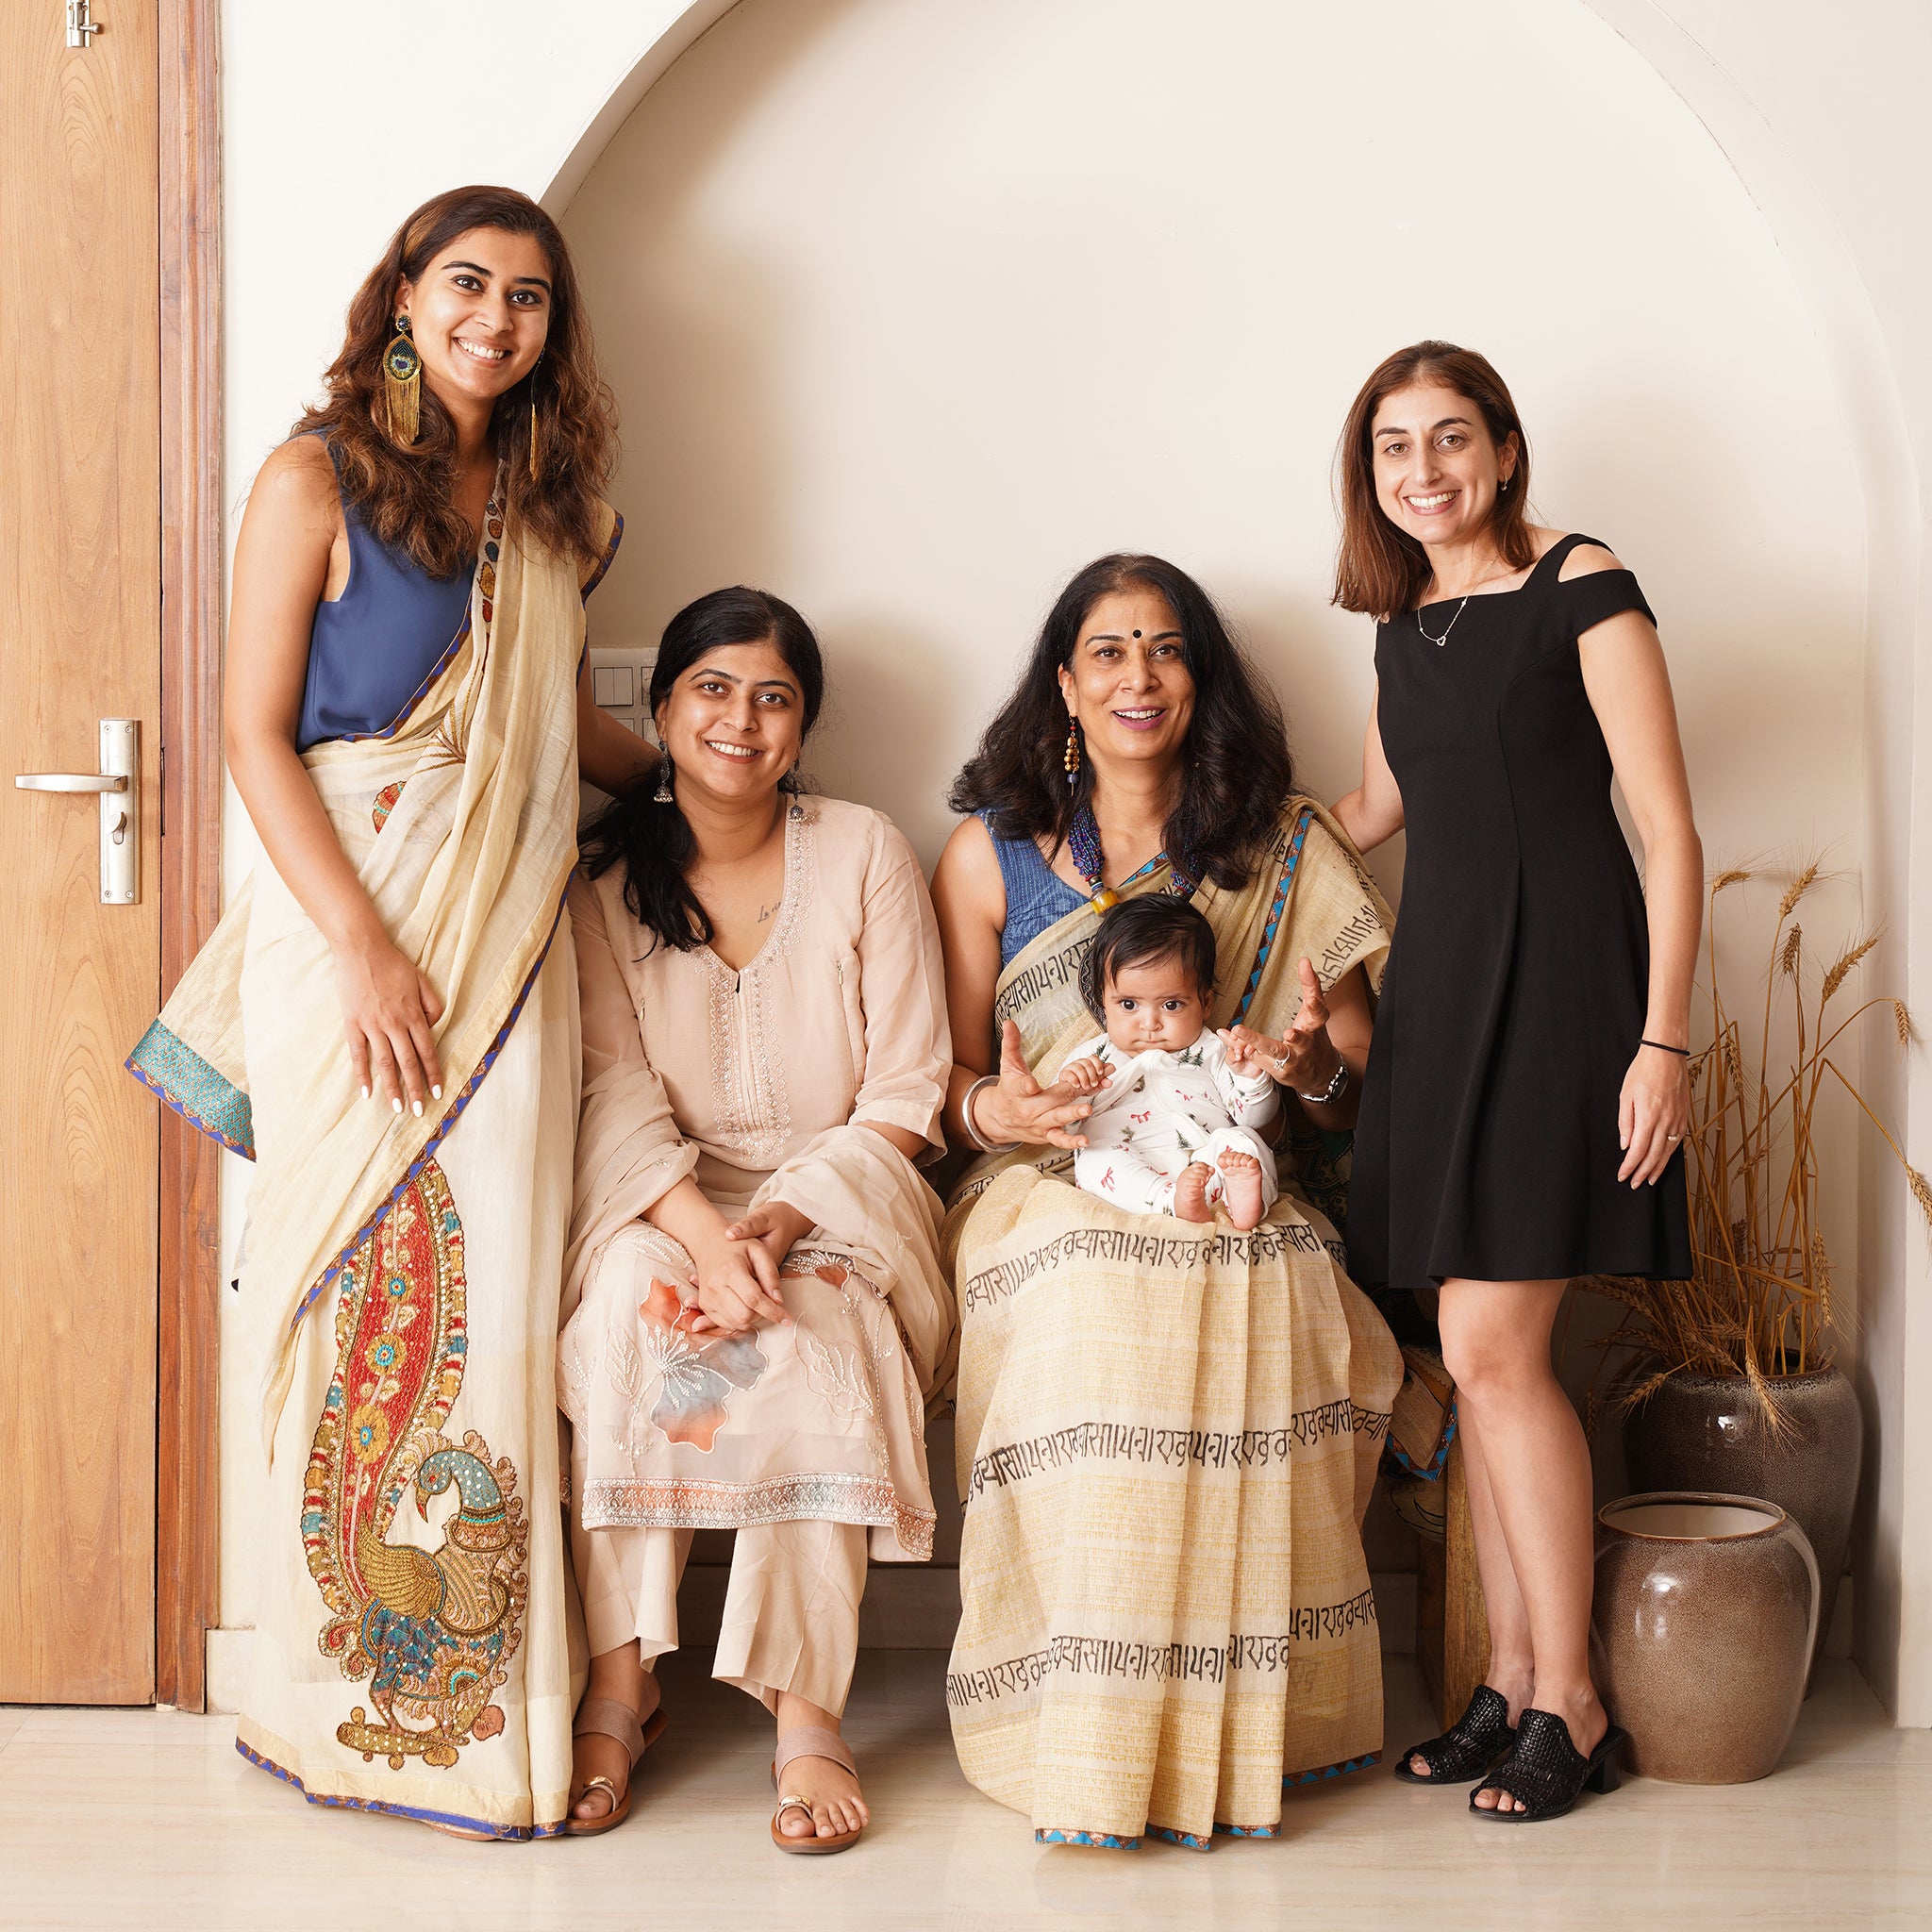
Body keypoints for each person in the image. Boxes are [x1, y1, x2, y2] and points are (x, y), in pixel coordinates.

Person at [125, 186, 649, 1839]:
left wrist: (722, 766)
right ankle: (332, 1696)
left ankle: (487, 1717)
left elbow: (553, 726)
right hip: (353, 931)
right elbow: (251, 732)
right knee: (339, 1281)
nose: (498, 317)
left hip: (505, 940)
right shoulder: (312, 475)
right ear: (404, 296)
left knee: (490, 1287)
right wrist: (359, 945)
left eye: (531, 298)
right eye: (467, 284)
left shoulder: (563, 510)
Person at [933, 552, 1402, 1848]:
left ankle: (1255, 1722)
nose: (1139, 675)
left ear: (1203, 680)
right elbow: (937, 1084)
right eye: (1108, 650)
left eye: (1168, 648)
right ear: (1063, 689)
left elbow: (1350, 1085)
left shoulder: (1283, 846)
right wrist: (998, 1112)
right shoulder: (988, 858)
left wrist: (1307, 1067)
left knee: (1260, 1272)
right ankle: (1085, 1724)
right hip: (1045, 1184)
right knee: (1091, 1290)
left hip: (1235, 1178)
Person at [1331, 341, 1699, 1823]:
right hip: (1441, 998)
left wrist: (1662, 1042)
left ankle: (1577, 1702)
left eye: (1451, 439)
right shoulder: (1400, 621)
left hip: (1567, 992)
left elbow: (1668, 831)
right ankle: (1511, 1680)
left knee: (1495, 1353)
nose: (1424, 471)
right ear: (1369, 476)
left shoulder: (1584, 581)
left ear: (1503, 446)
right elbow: (1370, 811)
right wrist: (1228, 829)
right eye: (1393, 448)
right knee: (1478, 1366)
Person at [557, 587, 956, 1853]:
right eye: (713, 690)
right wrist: (704, 1238)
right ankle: (623, 1680)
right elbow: (611, 1093)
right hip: (654, 1199)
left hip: (845, 1197)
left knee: (805, 1336)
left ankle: (804, 1709)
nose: (741, 719)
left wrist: (776, 1231)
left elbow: (906, 1089)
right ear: (662, 710)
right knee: (638, 1313)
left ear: (805, 725)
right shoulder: (605, 882)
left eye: (774, 697)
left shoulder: (866, 851)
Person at [1060, 896, 1279, 1230]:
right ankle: (1170, 1201)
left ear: (1205, 1003)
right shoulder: (1094, 1058)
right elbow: (1066, 1130)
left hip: (1206, 1162)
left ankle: (1246, 1200)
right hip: (1132, 1163)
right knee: (1093, 1154)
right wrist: (1073, 1091)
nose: (1149, 1023)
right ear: (1104, 1001)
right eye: (1129, 1004)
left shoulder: (1215, 1050)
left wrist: (1251, 1077)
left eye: (1172, 1005)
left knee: (1245, 1141)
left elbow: (1255, 1116)